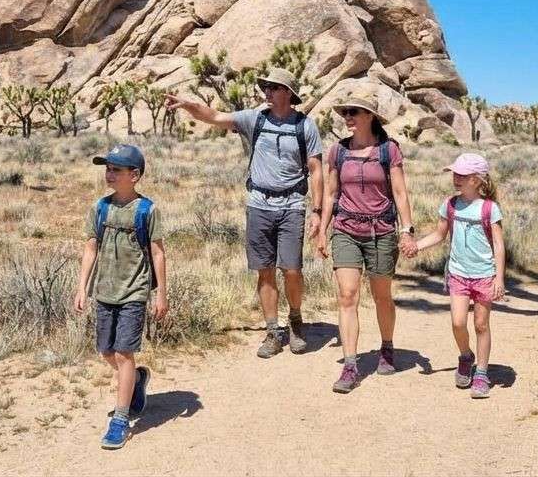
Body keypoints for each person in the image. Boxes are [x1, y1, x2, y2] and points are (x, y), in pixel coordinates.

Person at [166, 67, 323, 358]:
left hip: (291, 205)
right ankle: (274, 331)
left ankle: (296, 319)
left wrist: (317, 210)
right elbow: (215, 116)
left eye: (274, 87)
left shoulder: (305, 126)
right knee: (264, 270)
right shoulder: (255, 118)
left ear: (288, 93)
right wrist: (189, 106)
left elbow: (315, 169)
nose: (268, 91)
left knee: (291, 269)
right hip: (259, 203)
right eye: (266, 87)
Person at [315, 96, 417, 393]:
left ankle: (386, 346)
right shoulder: (338, 151)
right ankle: (350, 365)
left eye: (354, 112)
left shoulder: (389, 150)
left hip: (381, 231)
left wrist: (407, 230)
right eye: (345, 112)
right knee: (347, 296)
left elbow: (399, 192)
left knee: (381, 295)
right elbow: (331, 194)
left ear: (370, 116)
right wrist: (322, 230)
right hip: (346, 229)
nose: (348, 117)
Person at [73, 143, 169, 449]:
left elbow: (158, 253)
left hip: (134, 291)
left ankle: (120, 419)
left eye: (116, 169)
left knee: (124, 353)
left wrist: (161, 294)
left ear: (135, 175)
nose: (109, 174)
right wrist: (82, 287)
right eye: (107, 168)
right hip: (105, 290)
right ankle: (137, 380)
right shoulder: (100, 208)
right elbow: (91, 248)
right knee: (106, 351)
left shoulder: (147, 210)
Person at [408, 152, 506, 399]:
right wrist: (417, 246)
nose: (456, 178)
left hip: (484, 275)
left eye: (462, 175)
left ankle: (481, 373)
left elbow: (499, 245)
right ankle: (466, 355)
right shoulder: (450, 204)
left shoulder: (489, 208)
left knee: (481, 324)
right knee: (458, 322)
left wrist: (499, 278)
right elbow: (440, 235)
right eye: (455, 173)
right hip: (458, 274)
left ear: (477, 179)